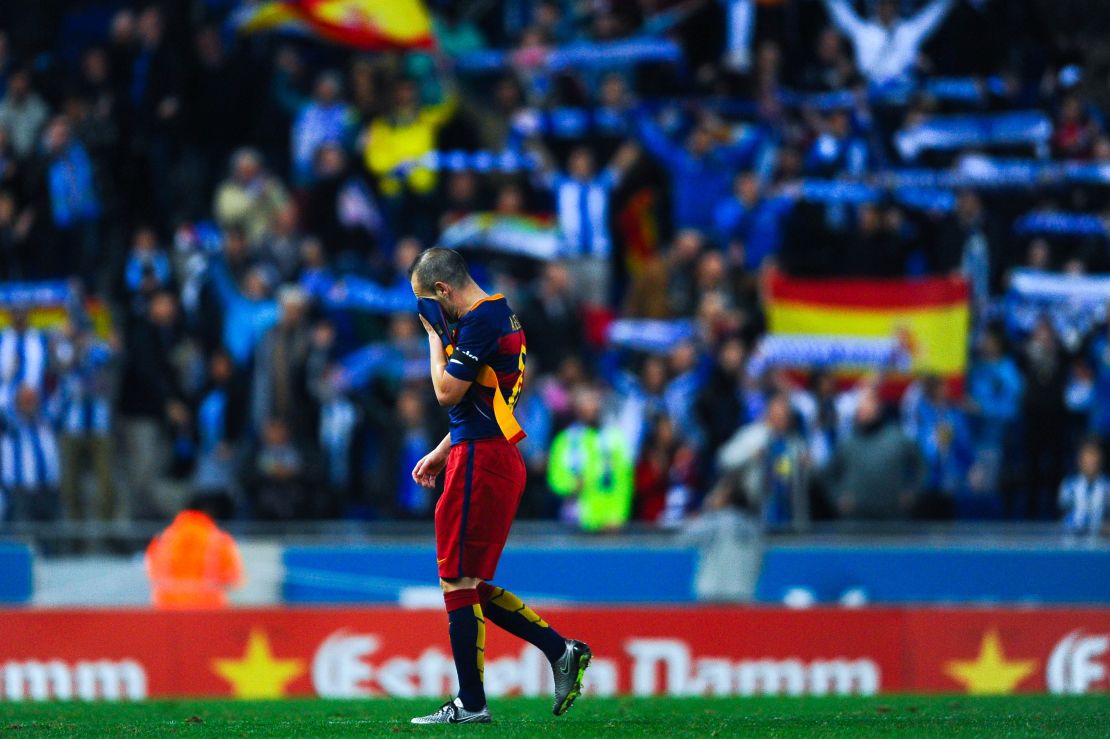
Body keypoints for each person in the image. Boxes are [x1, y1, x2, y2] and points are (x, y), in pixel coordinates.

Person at [407, 248, 590, 725]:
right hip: (486, 452)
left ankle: (471, 703)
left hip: (483, 460)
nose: (431, 313)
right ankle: (560, 650)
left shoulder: (481, 321)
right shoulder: (503, 315)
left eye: (428, 301)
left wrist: (431, 338)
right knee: (469, 583)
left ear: (443, 291)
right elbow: (488, 401)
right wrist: (444, 449)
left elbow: (447, 392)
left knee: (456, 581)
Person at [822, 0, 955, 84]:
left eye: (890, 4)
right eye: (883, 4)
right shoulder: (863, 32)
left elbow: (933, 14)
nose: (886, 9)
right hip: (871, 93)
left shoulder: (908, 32)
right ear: (876, 7)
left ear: (896, 7)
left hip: (904, 94)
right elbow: (840, 12)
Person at [145, 499, 244, 608]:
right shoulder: (218, 539)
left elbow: (152, 573)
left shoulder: (163, 539)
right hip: (208, 611)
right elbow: (233, 577)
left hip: (167, 610)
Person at [1059, 439, 1108, 539]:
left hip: (1101, 543)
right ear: (1080, 460)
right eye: (1087, 458)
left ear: (1100, 460)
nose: (1091, 463)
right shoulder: (1069, 486)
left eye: (1094, 458)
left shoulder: (1107, 487)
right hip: (1071, 541)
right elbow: (1064, 515)